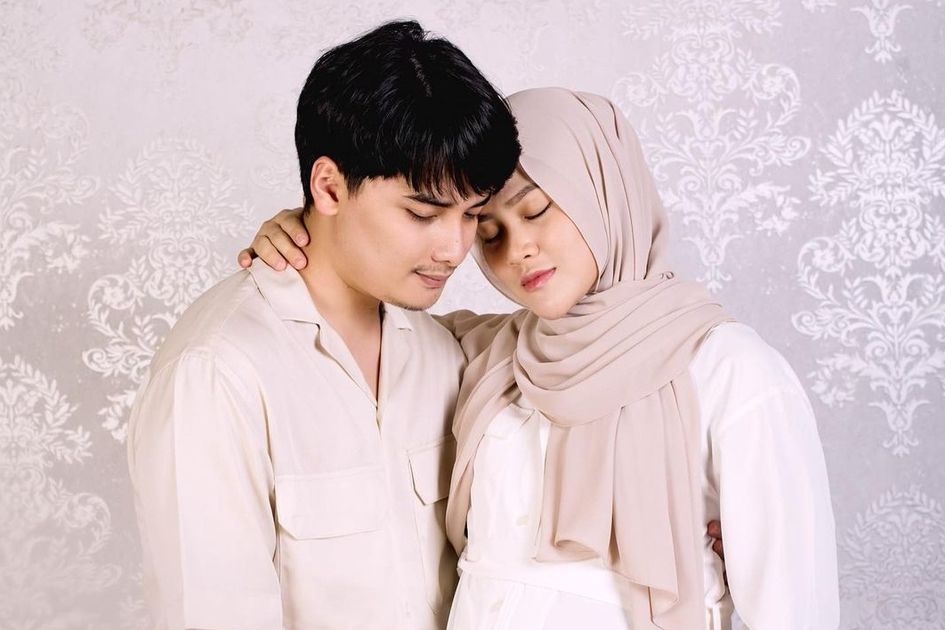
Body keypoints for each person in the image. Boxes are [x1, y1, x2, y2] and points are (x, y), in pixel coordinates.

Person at [242, 88, 839, 629]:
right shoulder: (486, 355)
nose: (517, 250)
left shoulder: (727, 370)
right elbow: (364, 314)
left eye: (536, 211)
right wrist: (310, 231)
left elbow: (795, 614)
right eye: (489, 231)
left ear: (604, 193)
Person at [126, 20, 520, 630]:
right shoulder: (217, 372)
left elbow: (593, 337)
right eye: (423, 213)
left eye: (472, 215)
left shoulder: (451, 352)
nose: (454, 248)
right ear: (329, 187)